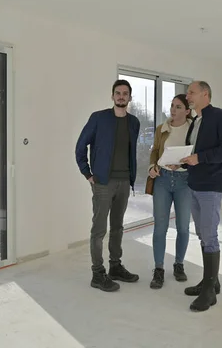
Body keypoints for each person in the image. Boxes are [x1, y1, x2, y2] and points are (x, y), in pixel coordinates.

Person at [75, 79, 141, 292]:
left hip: (124, 182)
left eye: (125, 93)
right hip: (103, 182)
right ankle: (97, 273)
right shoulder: (99, 118)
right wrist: (87, 173)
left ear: (130, 97)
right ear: (112, 96)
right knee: (99, 229)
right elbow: (80, 145)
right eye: (118, 93)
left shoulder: (134, 122)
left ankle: (115, 266)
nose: (121, 96)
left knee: (118, 227)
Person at [180, 81, 222, 311]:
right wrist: (183, 163)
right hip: (194, 184)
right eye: (188, 93)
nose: (188, 96)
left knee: (209, 235)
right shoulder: (196, 120)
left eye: (192, 93)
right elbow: (193, 152)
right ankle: (210, 282)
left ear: (206, 94)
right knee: (202, 233)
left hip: (211, 187)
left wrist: (200, 158)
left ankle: (209, 293)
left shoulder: (218, 116)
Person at [147, 94, 194, 289]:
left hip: (185, 181)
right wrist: (152, 166)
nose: (173, 110)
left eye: (178, 106)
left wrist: (184, 164)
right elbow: (155, 151)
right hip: (163, 180)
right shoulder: (162, 129)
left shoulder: (194, 129)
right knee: (160, 227)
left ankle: (179, 265)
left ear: (187, 111)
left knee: (183, 227)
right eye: (172, 106)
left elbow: (197, 154)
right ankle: (158, 269)